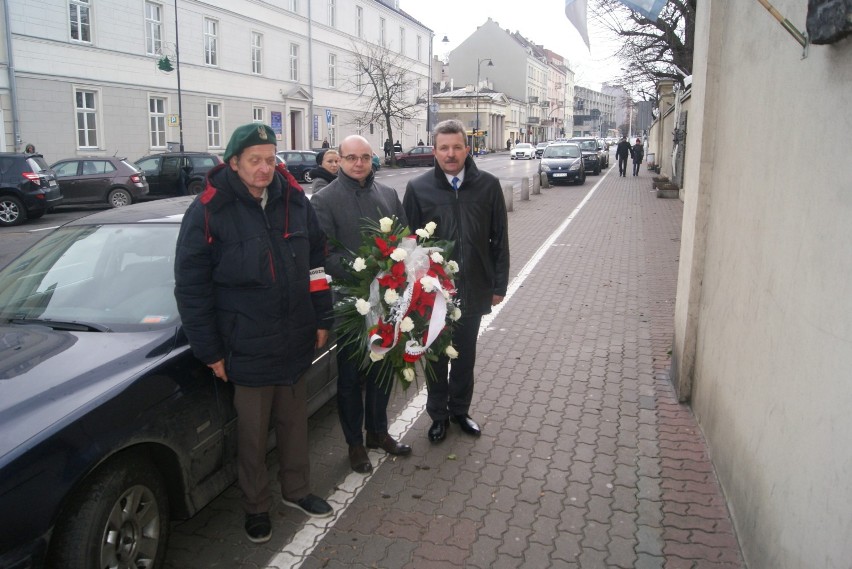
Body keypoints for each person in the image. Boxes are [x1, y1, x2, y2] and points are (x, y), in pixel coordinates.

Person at [174, 123, 334, 545]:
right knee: (251, 436)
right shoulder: (210, 210)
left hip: (296, 336)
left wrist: (322, 317)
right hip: (245, 344)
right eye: (254, 161)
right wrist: (210, 349)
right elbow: (192, 287)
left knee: (295, 424)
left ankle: (297, 491)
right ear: (233, 163)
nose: (265, 169)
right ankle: (256, 507)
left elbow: (317, 262)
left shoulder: (293, 199)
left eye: (270, 159)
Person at [402, 119, 510, 444]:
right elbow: (409, 245)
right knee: (435, 356)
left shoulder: (488, 186)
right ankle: (438, 415)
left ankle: (461, 411)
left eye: (457, 147)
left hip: (474, 287)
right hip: (433, 294)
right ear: (434, 151)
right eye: (444, 148)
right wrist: (413, 290)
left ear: (467, 148)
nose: (451, 154)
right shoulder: (418, 189)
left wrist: (498, 286)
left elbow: (499, 240)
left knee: (464, 355)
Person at [311, 135, 412, 474]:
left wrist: (401, 266)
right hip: (349, 304)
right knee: (352, 378)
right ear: (339, 160)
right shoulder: (323, 200)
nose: (358, 163)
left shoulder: (388, 194)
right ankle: (354, 443)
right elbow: (323, 254)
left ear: (373, 160)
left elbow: (405, 239)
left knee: (383, 370)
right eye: (351, 157)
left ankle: (378, 433)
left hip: (387, 300)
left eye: (365, 157)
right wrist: (366, 269)